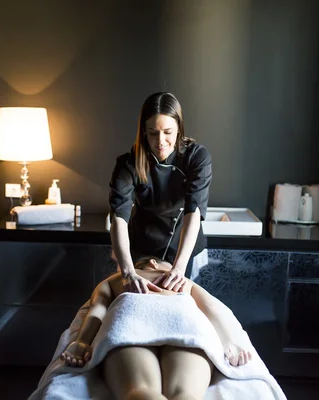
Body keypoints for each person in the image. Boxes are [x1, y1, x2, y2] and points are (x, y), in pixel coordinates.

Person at [60, 256, 253, 400]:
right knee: (185, 393)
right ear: (154, 263)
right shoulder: (182, 282)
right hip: (183, 321)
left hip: (133, 320)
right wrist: (230, 340)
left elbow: (97, 310)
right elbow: (212, 308)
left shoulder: (114, 280)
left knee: (140, 390)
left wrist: (82, 342)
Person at [109, 92, 212, 294]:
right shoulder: (128, 164)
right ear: (143, 132)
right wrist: (128, 271)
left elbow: (194, 211)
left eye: (168, 132)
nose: (160, 141)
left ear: (179, 129)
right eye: (153, 132)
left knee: (179, 300)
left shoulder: (196, 157)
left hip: (182, 243)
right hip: (141, 242)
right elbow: (118, 218)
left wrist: (179, 267)